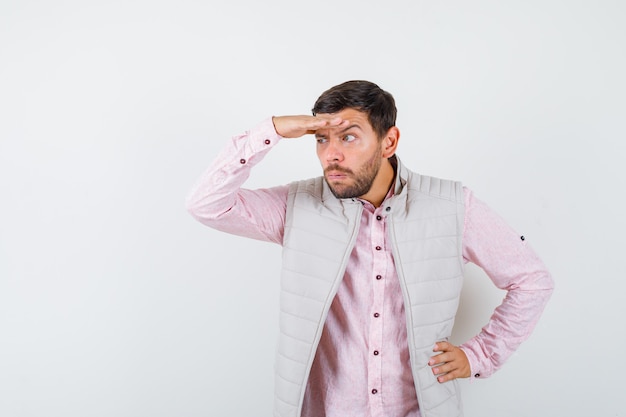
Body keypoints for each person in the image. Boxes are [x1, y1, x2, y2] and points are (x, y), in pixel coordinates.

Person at [186, 80, 554, 417]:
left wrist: (479, 356)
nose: (331, 154)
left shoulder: (453, 205)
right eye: (321, 139)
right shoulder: (297, 206)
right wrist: (273, 130)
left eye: (348, 137)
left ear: (389, 142)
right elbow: (206, 204)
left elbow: (532, 281)